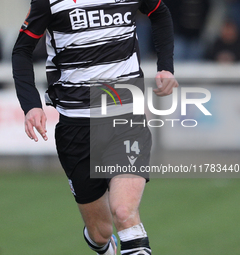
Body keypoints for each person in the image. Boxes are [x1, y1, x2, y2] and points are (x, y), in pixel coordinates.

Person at [12, 1, 178, 254]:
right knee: (101, 232)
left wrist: (166, 66)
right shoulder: (49, 3)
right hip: (75, 127)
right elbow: (21, 51)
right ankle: (102, 244)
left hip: (125, 117)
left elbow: (160, 12)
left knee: (124, 212)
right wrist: (31, 105)